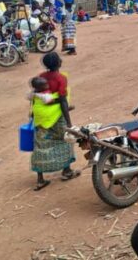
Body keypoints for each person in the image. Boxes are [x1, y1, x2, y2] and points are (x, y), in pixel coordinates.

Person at [29, 53, 80, 190]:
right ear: (59, 63)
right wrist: (69, 122)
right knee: (65, 140)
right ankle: (67, 171)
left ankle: (40, 179)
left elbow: (36, 96)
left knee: (41, 144)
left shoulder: (41, 76)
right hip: (56, 116)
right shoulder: (61, 78)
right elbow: (62, 100)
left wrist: (33, 114)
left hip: (41, 116)